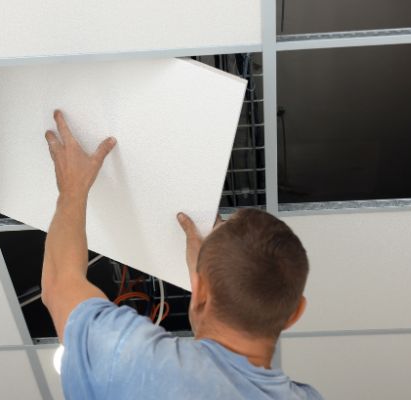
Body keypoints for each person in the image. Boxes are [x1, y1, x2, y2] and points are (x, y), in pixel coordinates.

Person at [41, 110, 323, 399]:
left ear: (198, 291)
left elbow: (59, 283)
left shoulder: (133, 360)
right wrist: (209, 282)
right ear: (295, 313)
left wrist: (72, 188)